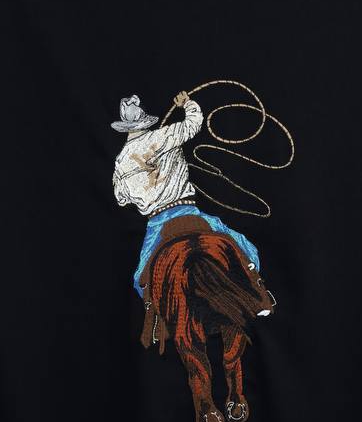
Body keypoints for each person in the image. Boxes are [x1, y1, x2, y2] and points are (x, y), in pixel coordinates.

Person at [111, 91, 261, 296]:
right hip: (186, 210)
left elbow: (121, 199)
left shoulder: (120, 161)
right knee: (245, 249)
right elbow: (193, 124)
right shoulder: (163, 135)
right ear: (145, 122)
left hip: (156, 223)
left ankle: (152, 309)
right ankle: (255, 289)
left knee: (141, 280)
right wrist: (187, 103)